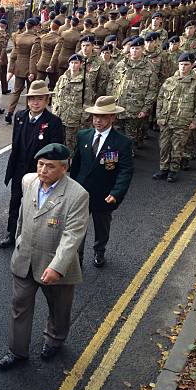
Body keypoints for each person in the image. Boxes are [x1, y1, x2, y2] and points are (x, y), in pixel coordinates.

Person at [0, 144, 89, 369]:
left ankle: (55, 340)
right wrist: (18, 241)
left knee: (58, 309)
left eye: (50, 166)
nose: (43, 170)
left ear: (64, 168)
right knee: (19, 306)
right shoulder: (28, 181)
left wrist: (57, 267)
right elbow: (22, 217)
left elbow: (72, 236)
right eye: (40, 164)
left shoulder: (77, 195)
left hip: (55, 266)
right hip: (25, 259)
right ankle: (17, 351)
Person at [70, 96, 134, 267]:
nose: (98, 121)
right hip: (81, 193)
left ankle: (99, 251)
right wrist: (70, 187)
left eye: (103, 117)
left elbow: (125, 171)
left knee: (102, 227)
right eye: (95, 117)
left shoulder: (122, 142)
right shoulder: (83, 136)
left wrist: (116, 193)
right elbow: (76, 164)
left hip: (104, 195)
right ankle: (77, 256)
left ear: (112, 117)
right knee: (78, 227)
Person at [0, 80, 64, 249]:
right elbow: (16, 144)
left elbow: (56, 151)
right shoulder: (20, 116)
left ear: (46, 101)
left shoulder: (54, 122)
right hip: (19, 170)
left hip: (40, 173)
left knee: (38, 206)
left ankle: (33, 237)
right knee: (15, 202)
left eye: (40, 99)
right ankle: (11, 232)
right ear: (28, 101)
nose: (35, 102)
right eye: (32, 99)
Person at [153, 53, 196, 183]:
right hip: (166, 120)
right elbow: (160, 99)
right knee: (164, 146)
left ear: (191, 65)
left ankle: (173, 170)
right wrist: (158, 116)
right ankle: (163, 169)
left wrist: (195, 121)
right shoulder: (169, 81)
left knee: (177, 147)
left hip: (183, 122)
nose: (183, 67)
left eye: (186, 65)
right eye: (181, 64)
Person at [108, 37, 158, 155]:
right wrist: (109, 102)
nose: (134, 51)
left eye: (137, 49)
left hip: (135, 108)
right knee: (115, 133)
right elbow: (111, 83)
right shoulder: (121, 64)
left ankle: (127, 157)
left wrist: (145, 109)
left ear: (142, 49)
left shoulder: (148, 67)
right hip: (117, 106)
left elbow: (152, 90)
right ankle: (114, 158)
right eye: (133, 48)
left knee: (130, 136)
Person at [6, 18, 42, 124]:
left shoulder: (18, 37)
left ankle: (9, 112)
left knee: (16, 91)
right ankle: (28, 113)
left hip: (19, 66)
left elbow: (14, 54)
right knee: (30, 92)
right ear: (34, 26)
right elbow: (33, 57)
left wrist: (12, 68)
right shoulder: (35, 39)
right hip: (29, 67)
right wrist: (32, 71)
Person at [52, 54, 86, 153]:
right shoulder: (62, 78)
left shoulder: (84, 80)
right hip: (60, 116)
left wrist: (83, 119)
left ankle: (70, 166)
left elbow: (87, 101)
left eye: (76, 63)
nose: (74, 65)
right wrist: (54, 110)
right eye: (72, 63)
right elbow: (55, 94)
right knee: (58, 143)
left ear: (80, 65)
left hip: (74, 118)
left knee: (71, 145)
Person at [36, 19, 61, 89]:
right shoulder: (59, 39)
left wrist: (37, 61)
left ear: (50, 26)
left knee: (38, 86)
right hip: (53, 66)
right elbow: (56, 53)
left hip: (42, 63)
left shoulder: (43, 37)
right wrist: (51, 65)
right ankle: (50, 99)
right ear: (59, 28)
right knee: (53, 86)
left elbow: (39, 50)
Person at [0, 18, 11, 94]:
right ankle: (4, 89)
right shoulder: (6, 35)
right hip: (2, 57)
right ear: (5, 26)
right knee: (3, 74)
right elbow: (3, 47)